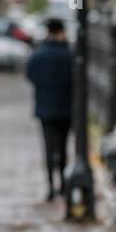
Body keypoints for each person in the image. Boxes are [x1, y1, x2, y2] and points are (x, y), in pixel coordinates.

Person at [25, 18, 73, 201]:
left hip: (45, 109)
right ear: (61, 32)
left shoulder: (38, 55)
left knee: (48, 146)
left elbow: (30, 75)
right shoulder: (69, 55)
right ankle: (61, 183)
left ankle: (51, 186)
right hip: (65, 109)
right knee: (62, 147)